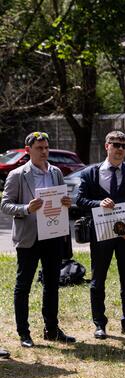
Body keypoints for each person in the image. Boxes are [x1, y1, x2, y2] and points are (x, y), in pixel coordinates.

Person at [0, 131, 76, 348]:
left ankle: (51, 329)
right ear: (28, 151)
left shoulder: (56, 172)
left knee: (52, 284)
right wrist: (26, 208)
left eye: (46, 148)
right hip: (29, 238)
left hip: (52, 235)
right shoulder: (17, 175)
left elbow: (60, 200)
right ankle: (24, 333)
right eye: (39, 148)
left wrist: (65, 202)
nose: (44, 152)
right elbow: (5, 205)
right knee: (23, 285)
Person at [76, 130, 125, 340]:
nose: (120, 149)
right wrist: (99, 203)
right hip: (101, 233)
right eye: (116, 145)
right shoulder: (91, 174)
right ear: (107, 146)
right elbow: (80, 200)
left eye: (124, 146)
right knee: (98, 279)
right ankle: (99, 324)